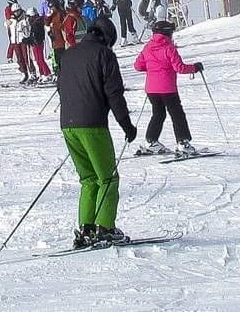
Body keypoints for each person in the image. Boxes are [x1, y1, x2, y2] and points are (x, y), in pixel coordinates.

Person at [57, 20, 139, 249]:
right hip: (92, 125)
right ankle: (105, 229)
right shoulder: (104, 55)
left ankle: (86, 228)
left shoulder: (68, 55)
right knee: (108, 178)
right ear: (107, 38)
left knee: (89, 179)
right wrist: (126, 125)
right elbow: (114, 94)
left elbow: (60, 88)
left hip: (68, 125)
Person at [132, 20, 203, 156]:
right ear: (168, 33)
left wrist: (153, 67)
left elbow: (138, 66)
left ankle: (151, 141)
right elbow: (180, 68)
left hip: (152, 89)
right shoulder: (169, 48)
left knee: (158, 114)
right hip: (167, 88)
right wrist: (195, 67)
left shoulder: (147, 47)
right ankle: (183, 143)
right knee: (177, 115)